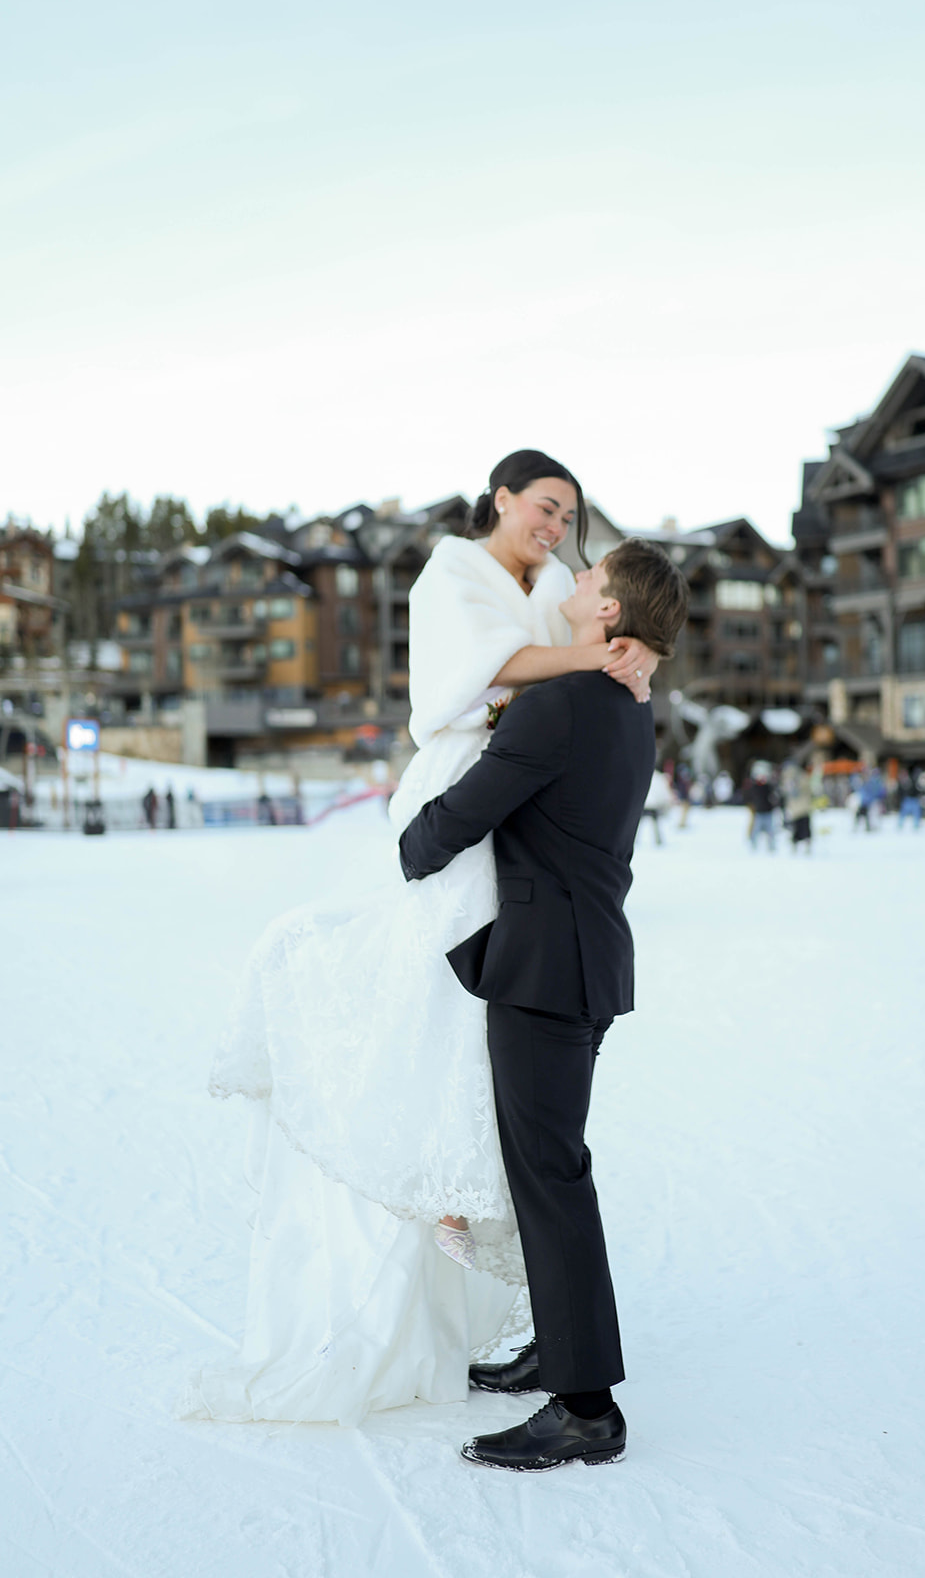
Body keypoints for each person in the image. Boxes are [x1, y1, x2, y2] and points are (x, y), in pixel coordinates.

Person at [181, 451, 657, 1428]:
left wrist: (607, 657)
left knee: (534, 1140)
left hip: (529, 881)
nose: (558, 529)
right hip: (530, 865)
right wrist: (605, 656)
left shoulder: (575, 636)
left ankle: (578, 1387)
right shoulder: (462, 580)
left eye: (570, 517)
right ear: (500, 499)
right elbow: (463, 685)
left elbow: (475, 797)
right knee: (503, 1097)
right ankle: (548, 1336)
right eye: (543, 506)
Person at [399, 538, 689, 1469]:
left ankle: (585, 1407)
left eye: (594, 579)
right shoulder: (625, 705)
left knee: (550, 1176)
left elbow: (459, 819)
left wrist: (410, 837)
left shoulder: (561, 706)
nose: (577, 578)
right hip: (582, 962)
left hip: (545, 973)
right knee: (547, 1167)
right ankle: (553, 1354)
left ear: (607, 614)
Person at [742, 762, 779, 850]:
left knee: (770, 832)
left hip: (768, 813)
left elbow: (774, 798)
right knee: (755, 831)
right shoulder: (753, 787)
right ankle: (752, 845)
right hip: (759, 813)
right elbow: (749, 797)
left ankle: (772, 847)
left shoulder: (769, 787)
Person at [641, 765, 673, 846]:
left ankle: (635, 839)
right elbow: (663, 793)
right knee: (655, 824)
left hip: (645, 804)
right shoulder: (660, 778)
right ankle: (658, 839)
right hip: (654, 805)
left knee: (638, 824)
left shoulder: (644, 774)